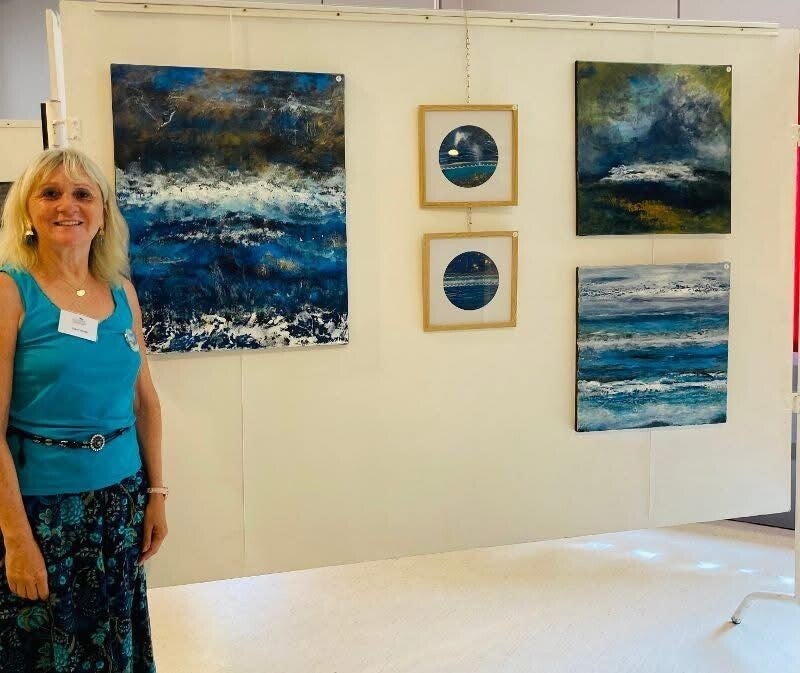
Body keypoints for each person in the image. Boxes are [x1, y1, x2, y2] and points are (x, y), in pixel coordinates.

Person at [0, 147, 167, 672]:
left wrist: (157, 494)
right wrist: (16, 538)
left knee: (114, 645)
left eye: (82, 194)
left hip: (120, 503)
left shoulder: (122, 292)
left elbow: (145, 402)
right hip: (42, 512)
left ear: (102, 214)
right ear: (27, 210)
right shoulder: (9, 290)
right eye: (49, 193)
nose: (66, 205)